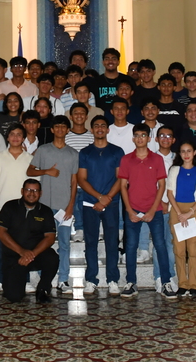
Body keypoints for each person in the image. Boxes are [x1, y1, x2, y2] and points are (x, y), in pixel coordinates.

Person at [26, 115, 79, 294]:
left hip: (64, 207)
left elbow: (74, 182)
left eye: (64, 127)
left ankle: (63, 279)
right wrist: (46, 171)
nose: (60, 130)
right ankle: (44, 280)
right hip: (44, 207)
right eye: (57, 127)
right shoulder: (43, 150)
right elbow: (30, 170)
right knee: (42, 244)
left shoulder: (73, 154)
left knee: (64, 244)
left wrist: (71, 205)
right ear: (52, 129)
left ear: (67, 130)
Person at [77, 115, 125, 295]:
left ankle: (113, 279)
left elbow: (121, 178)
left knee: (112, 242)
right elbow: (81, 179)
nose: (99, 128)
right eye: (96, 125)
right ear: (91, 130)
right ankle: (91, 279)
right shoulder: (85, 152)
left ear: (107, 129)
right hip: (90, 203)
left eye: (103, 126)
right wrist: (98, 197)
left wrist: (107, 198)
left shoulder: (117, 151)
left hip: (111, 204)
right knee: (90, 242)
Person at [0, 178, 58, 303]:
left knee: (52, 257)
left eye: (35, 191)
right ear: (22, 191)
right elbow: (0, 232)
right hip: (14, 257)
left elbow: (50, 238)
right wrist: (22, 252)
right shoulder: (9, 206)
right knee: (13, 296)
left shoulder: (45, 211)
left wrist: (31, 254)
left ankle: (43, 289)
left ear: (40, 193)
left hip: (35, 255)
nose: (32, 193)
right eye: (28, 190)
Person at [0, 124, 34, 294]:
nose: (15, 137)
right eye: (12, 134)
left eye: (19, 135)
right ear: (7, 138)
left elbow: (32, 188)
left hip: (24, 210)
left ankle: (26, 279)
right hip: (2, 209)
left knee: (24, 246)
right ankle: (0, 280)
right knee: (1, 248)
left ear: (23, 138)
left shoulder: (30, 159)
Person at [165, 142, 196, 297]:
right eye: (183, 151)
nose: (186, 154)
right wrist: (179, 213)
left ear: (194, 152)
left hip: (193, 210)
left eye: (189, 151)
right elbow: (169, 193)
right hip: (176, 209)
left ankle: (193, 285)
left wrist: (189, 213)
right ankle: (182, 284)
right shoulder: (174, 170)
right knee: (179, 249)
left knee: (193, 250)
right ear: (179, 154)